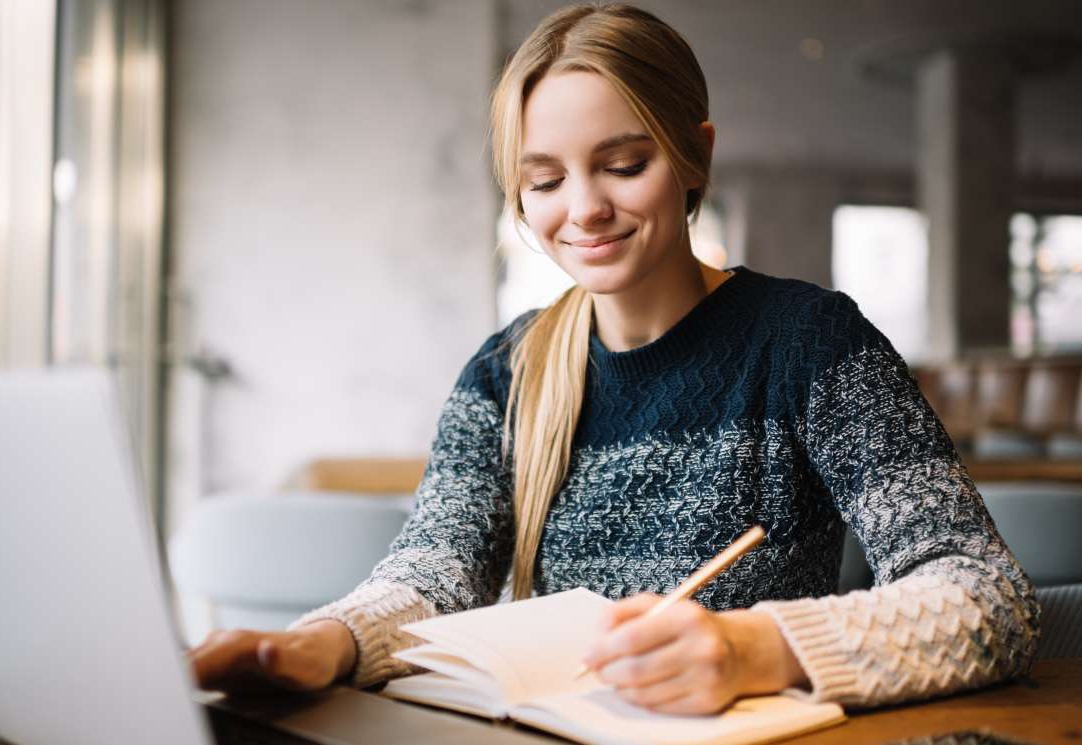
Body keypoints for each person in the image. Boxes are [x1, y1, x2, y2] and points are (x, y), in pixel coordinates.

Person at [190, 2, 1039, 713]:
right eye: (545, 180)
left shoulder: (809, 342)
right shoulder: (506, 370)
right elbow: (437, 568)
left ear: (694, 154)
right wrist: (321, 641)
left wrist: (759, 647)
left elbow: (986, 597)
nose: (585, 208)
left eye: (623, 164)